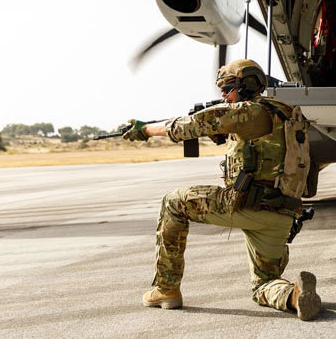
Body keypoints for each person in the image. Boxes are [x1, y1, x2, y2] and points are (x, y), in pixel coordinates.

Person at [122, 58, 323, 320]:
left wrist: (145, 130)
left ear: (244, 85)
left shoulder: (247, 112)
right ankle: (294, 297)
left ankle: (166, 289)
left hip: (244, 204)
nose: (224, 96)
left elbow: (186, 127)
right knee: (264, 283)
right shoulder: (286, 114)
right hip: (280, 215)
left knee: (173, 203)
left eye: (227, 89)